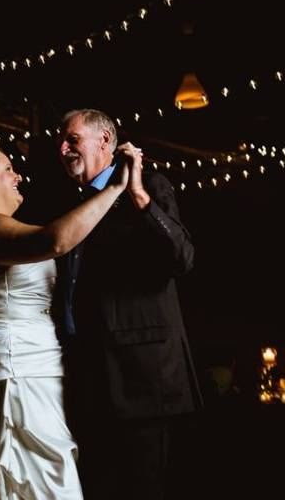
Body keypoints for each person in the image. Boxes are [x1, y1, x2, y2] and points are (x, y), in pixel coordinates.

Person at [0, 142, 129, 499]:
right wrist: (114, 187)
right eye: (7, 169)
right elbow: (55, 241)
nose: (17, 175)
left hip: (36, 362)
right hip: (11, 370)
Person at [54, 109, 197, 499]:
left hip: (142, 381)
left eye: (72, 139)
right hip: (86, 377)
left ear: (105, 142)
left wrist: (136, 196)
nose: (63, 148)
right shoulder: (68, 201)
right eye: (60, 140)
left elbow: (181, 259)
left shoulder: (149, 185)